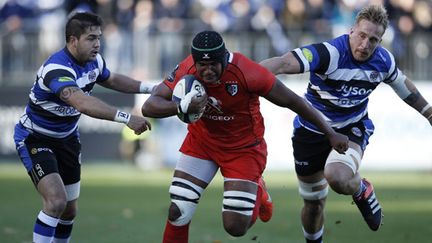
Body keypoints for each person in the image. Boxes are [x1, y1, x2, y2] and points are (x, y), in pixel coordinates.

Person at [141, 30, 349, 243]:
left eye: (214, 63)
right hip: (202, 143)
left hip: (243, 150)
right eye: (202, 65)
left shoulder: (248, 72)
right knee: (179, 208)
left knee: (235, 226)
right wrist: (180, 105)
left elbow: (293, 101)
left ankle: (258, 189)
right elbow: (149, 106)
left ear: (224, 57)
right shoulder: (187, 67)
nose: (208, 70)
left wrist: (330, 133)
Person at [260, 5, 432, 243]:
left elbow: (406, 89)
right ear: (351, 31)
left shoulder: (383, 61)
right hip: (310, 132)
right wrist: (248, 76)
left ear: (380, 41)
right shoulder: (330, 53)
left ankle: (361, 189)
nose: (365, 45)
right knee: (313, 205)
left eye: (373, 39)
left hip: (351, 128)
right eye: (362, 36)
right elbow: (283, 63)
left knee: (338, 177)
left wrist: (429, 113)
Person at [13, 12, 154, 243]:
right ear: (72, 40)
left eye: (99, 37)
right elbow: (82, 102)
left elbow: (113, 79)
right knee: (56, 201)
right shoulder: (56, 69)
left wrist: (153, 88)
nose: (97, 44)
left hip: (67, 139)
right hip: (36, 138)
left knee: (69, 211)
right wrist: (127, 118)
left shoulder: (94, 61)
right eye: (90, 38)